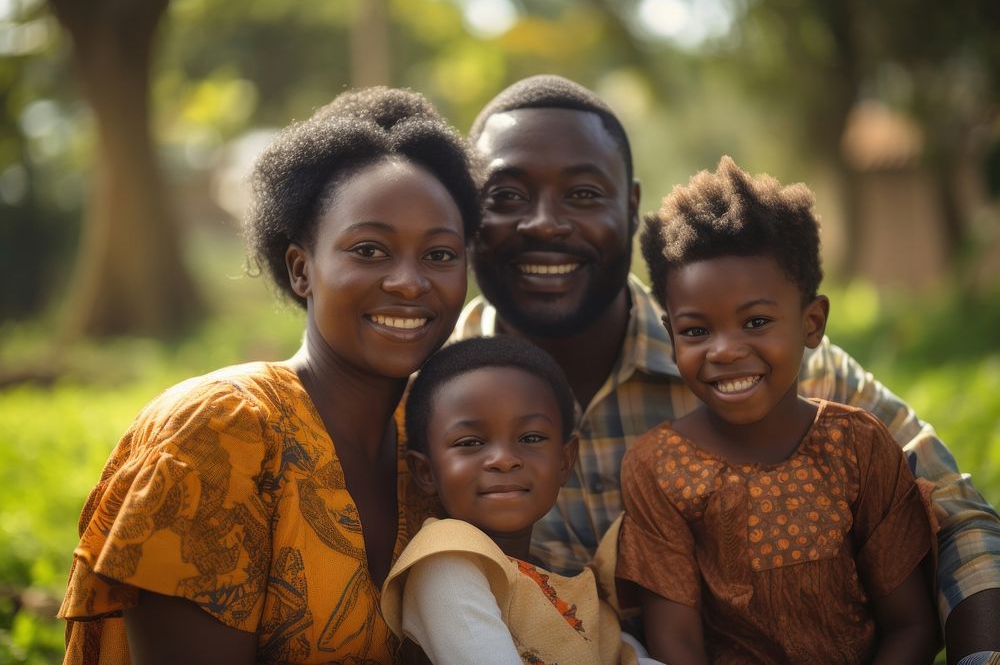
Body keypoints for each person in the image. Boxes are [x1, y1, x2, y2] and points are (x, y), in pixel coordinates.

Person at [453, 73, 1000, 661]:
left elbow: (954, 514)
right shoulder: (427, 404)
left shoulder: (784, 378)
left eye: (583, 193)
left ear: (631, 206)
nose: (544, 223)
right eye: (505, 197)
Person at [58, 87, 482, 664]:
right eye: (370, 250)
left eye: (439, 255)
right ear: (301, 269)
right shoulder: (217, 433)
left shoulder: (435, 441)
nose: (410, 282)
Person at [616, 156, 938, 663]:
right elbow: (677, 645)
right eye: (696, 331)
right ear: (670, 332)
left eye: (756, 321)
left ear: (812, 322)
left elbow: (914, 625)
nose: (723, 350)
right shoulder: (659, 469)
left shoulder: (858, 446)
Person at [381, 336, 644, 664]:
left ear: (565, 461)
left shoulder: (560, 577)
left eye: (530, 438)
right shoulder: (446, 562)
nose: (504, 460)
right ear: (425, 471)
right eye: (470, 442)